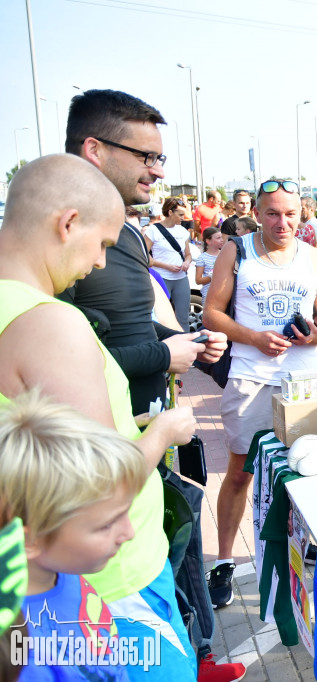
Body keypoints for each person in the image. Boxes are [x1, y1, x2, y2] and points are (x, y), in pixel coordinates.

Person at [0, 154, 203, 680]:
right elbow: (96, 485)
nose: (100, 264)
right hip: (110, 582)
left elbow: (45, 445)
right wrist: (162, 430)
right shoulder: (49, 323)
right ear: (68, 223)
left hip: (35, 583)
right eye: (105, 244)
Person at [203, 178, 317, 609]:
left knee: (309, 470)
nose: (282, 222)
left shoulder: (314, 257)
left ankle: (313, 550)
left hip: (303, 384)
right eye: (272, 213)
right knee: (241, 472)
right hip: (250, 379)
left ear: (302, 215)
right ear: (258, 213)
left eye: (291, 214)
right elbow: (210, 312)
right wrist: (252, 337)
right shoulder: (237, 251)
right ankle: (224, 561)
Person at [59, 88, 226, 416]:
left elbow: (133, 324)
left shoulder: (130, 233)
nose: (159, 171)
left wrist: (186, 342)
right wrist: (164, 355)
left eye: (159, 159)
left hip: (145, 442)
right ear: (95, 149)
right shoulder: (59, 239)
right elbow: (63, 364)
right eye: (145, 157)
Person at [1, 391, 147, 680]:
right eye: (106, 525)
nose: (129, 532)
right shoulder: (23, 660)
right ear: (30, 541)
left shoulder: (59, 571)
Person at [145, 197, 193, 332]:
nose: (184, 218)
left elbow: (188, 255)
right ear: (170, 212)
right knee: (161, 317)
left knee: (183, 317)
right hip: (161, 277)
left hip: (180, 278)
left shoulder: (182, 231)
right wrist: (166, 266)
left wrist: (186, 262)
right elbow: (143, 255)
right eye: (180, 214)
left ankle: (187, 344)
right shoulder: (153, 230)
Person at [195, 226, 225, 307]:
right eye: (218, 238)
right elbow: (198, 280)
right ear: (208, 241)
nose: (222, 240)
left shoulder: (225, 254)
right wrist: (211, 276)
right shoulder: (202, 258)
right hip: (209, 294)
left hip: (224, 293)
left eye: (221, 237)